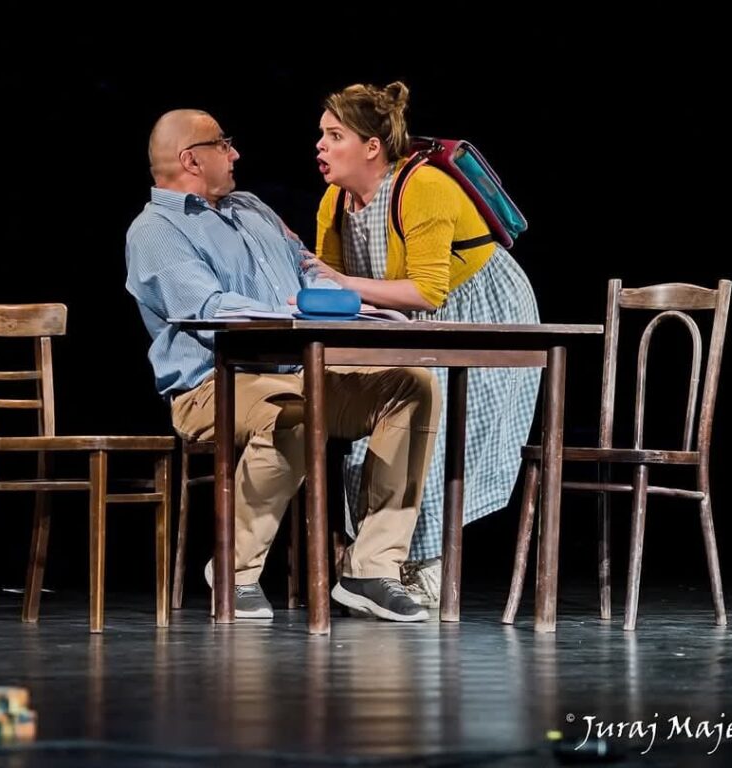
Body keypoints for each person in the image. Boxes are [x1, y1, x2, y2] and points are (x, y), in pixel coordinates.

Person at [125, 108, 441, 622]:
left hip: (298, 374)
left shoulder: (252, 209)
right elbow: (208, 311)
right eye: (222, 144)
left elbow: (308, 271)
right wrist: (294, 312)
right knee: (292, 411)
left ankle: (371, 567)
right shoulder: (155, 230)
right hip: (211, 387)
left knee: (411, 385)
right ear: (191, 159)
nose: (234, 153)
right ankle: (235, 571)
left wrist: (349, 308)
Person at [309, 82, 542, 607]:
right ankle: (380, 561)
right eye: (322, 134)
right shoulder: (334, 201)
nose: (320, 145)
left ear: (372, 146)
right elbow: (329, 286)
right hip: (399, 322)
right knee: (377, 422)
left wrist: (340, 284)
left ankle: (428, 565)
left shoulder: (424, 187)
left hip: (477, 310)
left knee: (435, 428)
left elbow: (428, 291)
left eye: (335, 135)